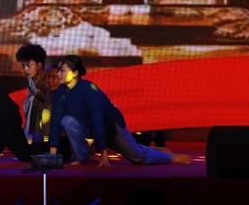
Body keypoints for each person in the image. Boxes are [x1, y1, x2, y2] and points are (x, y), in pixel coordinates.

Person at [48, 55, 191, 167]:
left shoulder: (89, 89)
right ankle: (81, 158)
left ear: (75, 73)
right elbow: (55, 123)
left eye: (62, 70)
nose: (58, 74)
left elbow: (98, 120)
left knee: (138, 158)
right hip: (90, 130)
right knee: (66, 121)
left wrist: (104, 153)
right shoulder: (60, 92)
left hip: (111, 127)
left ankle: (168, 157)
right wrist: (52, 156)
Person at [15, 43, 50, 153]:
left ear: (39, 65)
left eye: (29, 66)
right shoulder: (31, 79)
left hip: (51, 116)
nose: (25, 69)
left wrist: (35, 91)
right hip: (38, 119)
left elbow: (48, 100)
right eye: (23, 66)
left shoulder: (50, 77)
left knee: (33, 100)